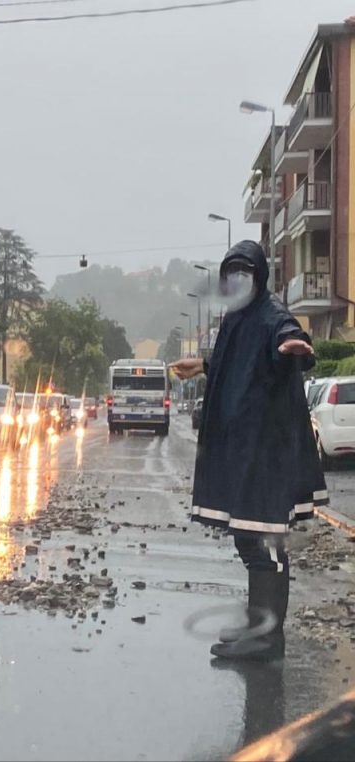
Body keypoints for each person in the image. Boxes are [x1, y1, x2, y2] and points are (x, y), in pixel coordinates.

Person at [170, 240, 327, 662]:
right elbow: (239, 359)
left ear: (259, 278)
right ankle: (258, 626)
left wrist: (296, 346)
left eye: (246, 274)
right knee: (249, 542)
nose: (238, 281)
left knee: (266, 547)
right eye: (231, 274)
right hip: (245, 451)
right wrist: (203, 365)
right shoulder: (238, 318)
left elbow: (286, 337)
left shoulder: (271, 313)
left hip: (267, 453)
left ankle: (267, 639)